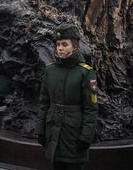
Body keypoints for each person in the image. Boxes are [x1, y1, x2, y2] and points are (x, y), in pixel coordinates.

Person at [36, 23, 98, 170]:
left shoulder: (85, 73)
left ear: (74, 47)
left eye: (65, 44)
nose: (60, 48)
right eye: (58, 44)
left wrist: (86, 137)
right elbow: (44, 103)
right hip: (54, 132)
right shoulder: (50, 71)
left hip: (73, 134)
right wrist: (40, 129)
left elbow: (91, 108)